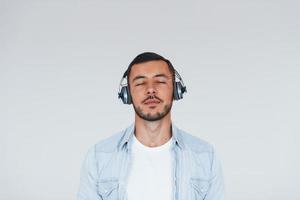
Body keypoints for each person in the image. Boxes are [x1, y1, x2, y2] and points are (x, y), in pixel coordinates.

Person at [77, 52, 225, 200]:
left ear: (176, 90)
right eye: (140, 83)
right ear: (127, 94)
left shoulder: (205, 156)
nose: (151, 89)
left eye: (160, 81)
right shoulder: (99, 157)